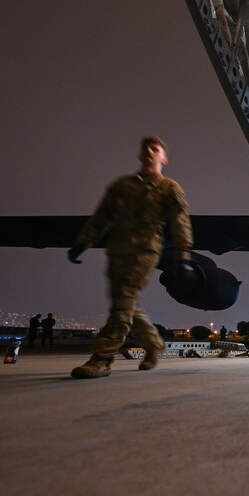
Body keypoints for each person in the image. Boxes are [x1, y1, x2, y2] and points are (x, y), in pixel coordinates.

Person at [66, 136, 194, 379]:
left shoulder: (169, 188)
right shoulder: (122, 186)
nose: (149, 151)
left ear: (163, 158)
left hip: (146, 251)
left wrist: (183, 255)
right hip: (118, 250)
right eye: (146, 148)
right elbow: (101, 218)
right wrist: (83, 242)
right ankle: (154, 342)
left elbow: (180, 224)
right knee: (125, 305)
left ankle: (101, 359)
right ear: (139, 154)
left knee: (123, 301)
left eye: (155, 149)